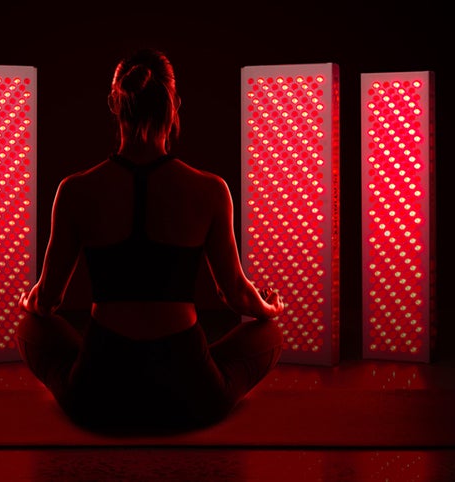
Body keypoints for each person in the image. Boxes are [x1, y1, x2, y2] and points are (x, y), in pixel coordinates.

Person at [16, 48, 285, 433]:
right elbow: (235, 296)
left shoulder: (76, 190)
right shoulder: (209, 190)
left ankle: (100, 398)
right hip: (190, 394)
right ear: (174, 105)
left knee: (29, 327)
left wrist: (30, 301)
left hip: (97, 394)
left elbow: (49, 301)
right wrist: (270, 310)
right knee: (269, 333)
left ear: (114, 103)